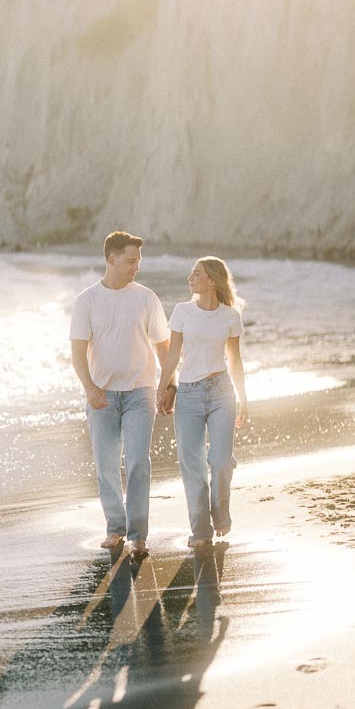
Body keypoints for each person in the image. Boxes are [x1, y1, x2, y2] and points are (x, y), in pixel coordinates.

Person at [70, 232, 171, 557]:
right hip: (102, 395)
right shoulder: (86, 300)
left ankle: (138, 534)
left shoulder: (146, 298)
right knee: (106, 465)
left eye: (138, 262)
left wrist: (170, 383)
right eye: (130, 261)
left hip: (141, 392)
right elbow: (78, 351)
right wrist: (89, 388)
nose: (136, 268)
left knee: (139, 460)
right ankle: (115, 528)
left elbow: (163, 345)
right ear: (110, 259)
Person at [156, 257, 249, 547]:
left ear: (211, 280)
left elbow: (234, 359)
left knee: (221, 461)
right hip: (189, 394)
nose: (190, 277)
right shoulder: (182, 312)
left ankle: (220, 515)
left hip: (222, 391)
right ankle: (200, 530)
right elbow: (172, 355)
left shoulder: (230, 316)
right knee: (192, 465)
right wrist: (162, 388)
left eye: (197, 273)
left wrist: (243, 396)